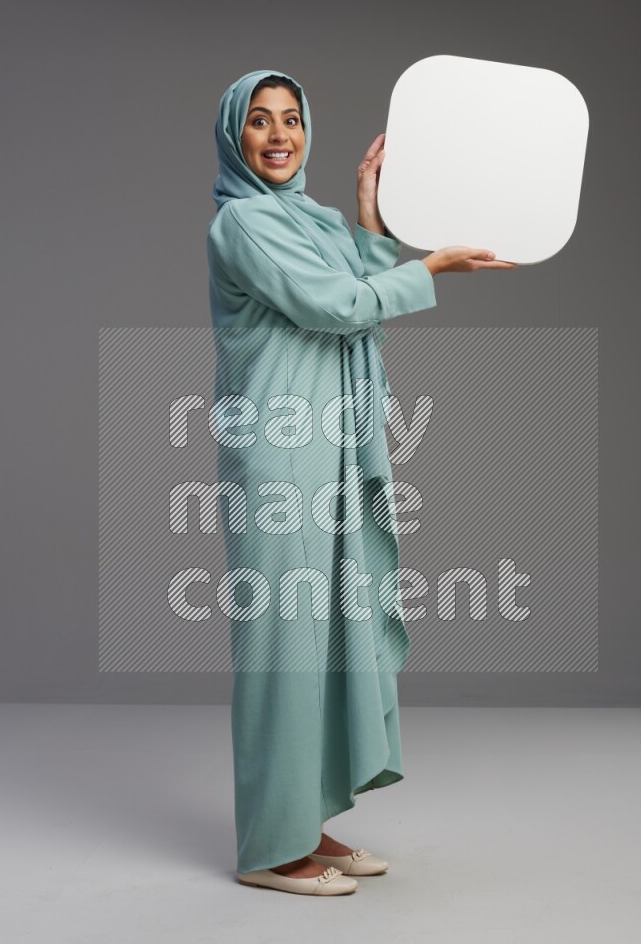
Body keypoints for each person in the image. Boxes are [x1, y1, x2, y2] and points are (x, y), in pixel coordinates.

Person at [207, 68, 515, 897]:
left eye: (293, 120)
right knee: (283, 650)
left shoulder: (308, 216)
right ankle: (269, 849)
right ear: (234, 136)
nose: (279, 136)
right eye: (260, 122)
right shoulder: (240, 222)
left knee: (330, 638)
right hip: (280, 451)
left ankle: (302, 821)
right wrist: (433, 267)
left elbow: (360, 295)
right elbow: (336, 306)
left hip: (333, 446)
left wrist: (371, 214)